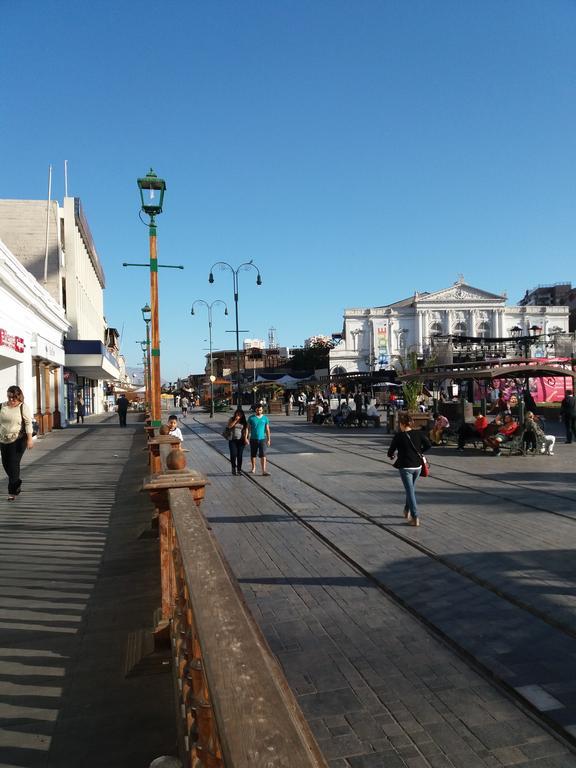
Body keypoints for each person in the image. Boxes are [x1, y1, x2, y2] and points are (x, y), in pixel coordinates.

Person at [387, 412, 431, 527]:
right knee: (410, 489)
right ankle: (407, 511)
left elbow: (390, 452)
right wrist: (420, 451)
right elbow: (428, 445)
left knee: (410, 491)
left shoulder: (399, 436)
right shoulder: (418, 433)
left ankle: (415, 516)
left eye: (399, 424)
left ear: (402, 424)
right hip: (418, 466)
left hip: (406, 467)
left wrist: (393, 455)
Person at [0, 386, 34, 501]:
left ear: (18, 396)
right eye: (9, 397)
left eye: (13, 397)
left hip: (19, 439)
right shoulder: (2, 406)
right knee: (5, 464)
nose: (11, 400)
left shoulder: (22, 407)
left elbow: (29, 423)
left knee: (13, 463)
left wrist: (29, 439)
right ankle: (16, 481)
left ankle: (12, 492)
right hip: (3, 439)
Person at [246, 404, 271, 475]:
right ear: (255, 410)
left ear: (262, 410)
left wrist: (269, 439)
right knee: (253, 454)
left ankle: (264, 470)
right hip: (253, 439)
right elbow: (248, 428)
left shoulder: (265, 418)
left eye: (260, 410)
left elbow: (267, 429)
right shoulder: (251, 418)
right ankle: (253, 468)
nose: (259, 411)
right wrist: (246, 437)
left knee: (263, 455)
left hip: (262, 439)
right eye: (257, 410)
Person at [227, 408, 247, 475]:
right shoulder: (231, 419)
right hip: (232, 440)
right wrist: (235, 420)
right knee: (233, 455)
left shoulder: (244, 421)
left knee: (239, 455)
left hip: (241, 441)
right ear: (235, 414)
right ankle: (233, 467)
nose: (238, 415)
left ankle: (239, 470)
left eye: (240, 414)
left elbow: (245, 430)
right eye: (237, 414)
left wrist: (246, 439)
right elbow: (229, 426)